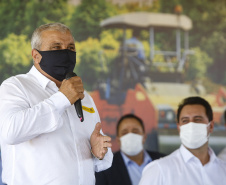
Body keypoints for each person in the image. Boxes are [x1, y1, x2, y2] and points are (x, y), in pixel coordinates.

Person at [0, 23, 113, 185]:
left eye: (71, 48)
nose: (66, 53)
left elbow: (98, 158)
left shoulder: (84, 96)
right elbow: (10, 132)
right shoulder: (15, 86)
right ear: (36, 55)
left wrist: (97, 153)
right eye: (56, 47)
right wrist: (62, 99)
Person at [139, 96, 226, 185]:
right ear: (179, 127)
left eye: (198, 119)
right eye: (185, 121)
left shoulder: (223, 170)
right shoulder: (159, 170)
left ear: (211, 126)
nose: (191, 125)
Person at [95, 114, 165, 185]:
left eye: (135, 131)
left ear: (144, 137)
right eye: (124, 133)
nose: (130, 136)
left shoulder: (163, 160)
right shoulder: (106, 168)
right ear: (118, 140)